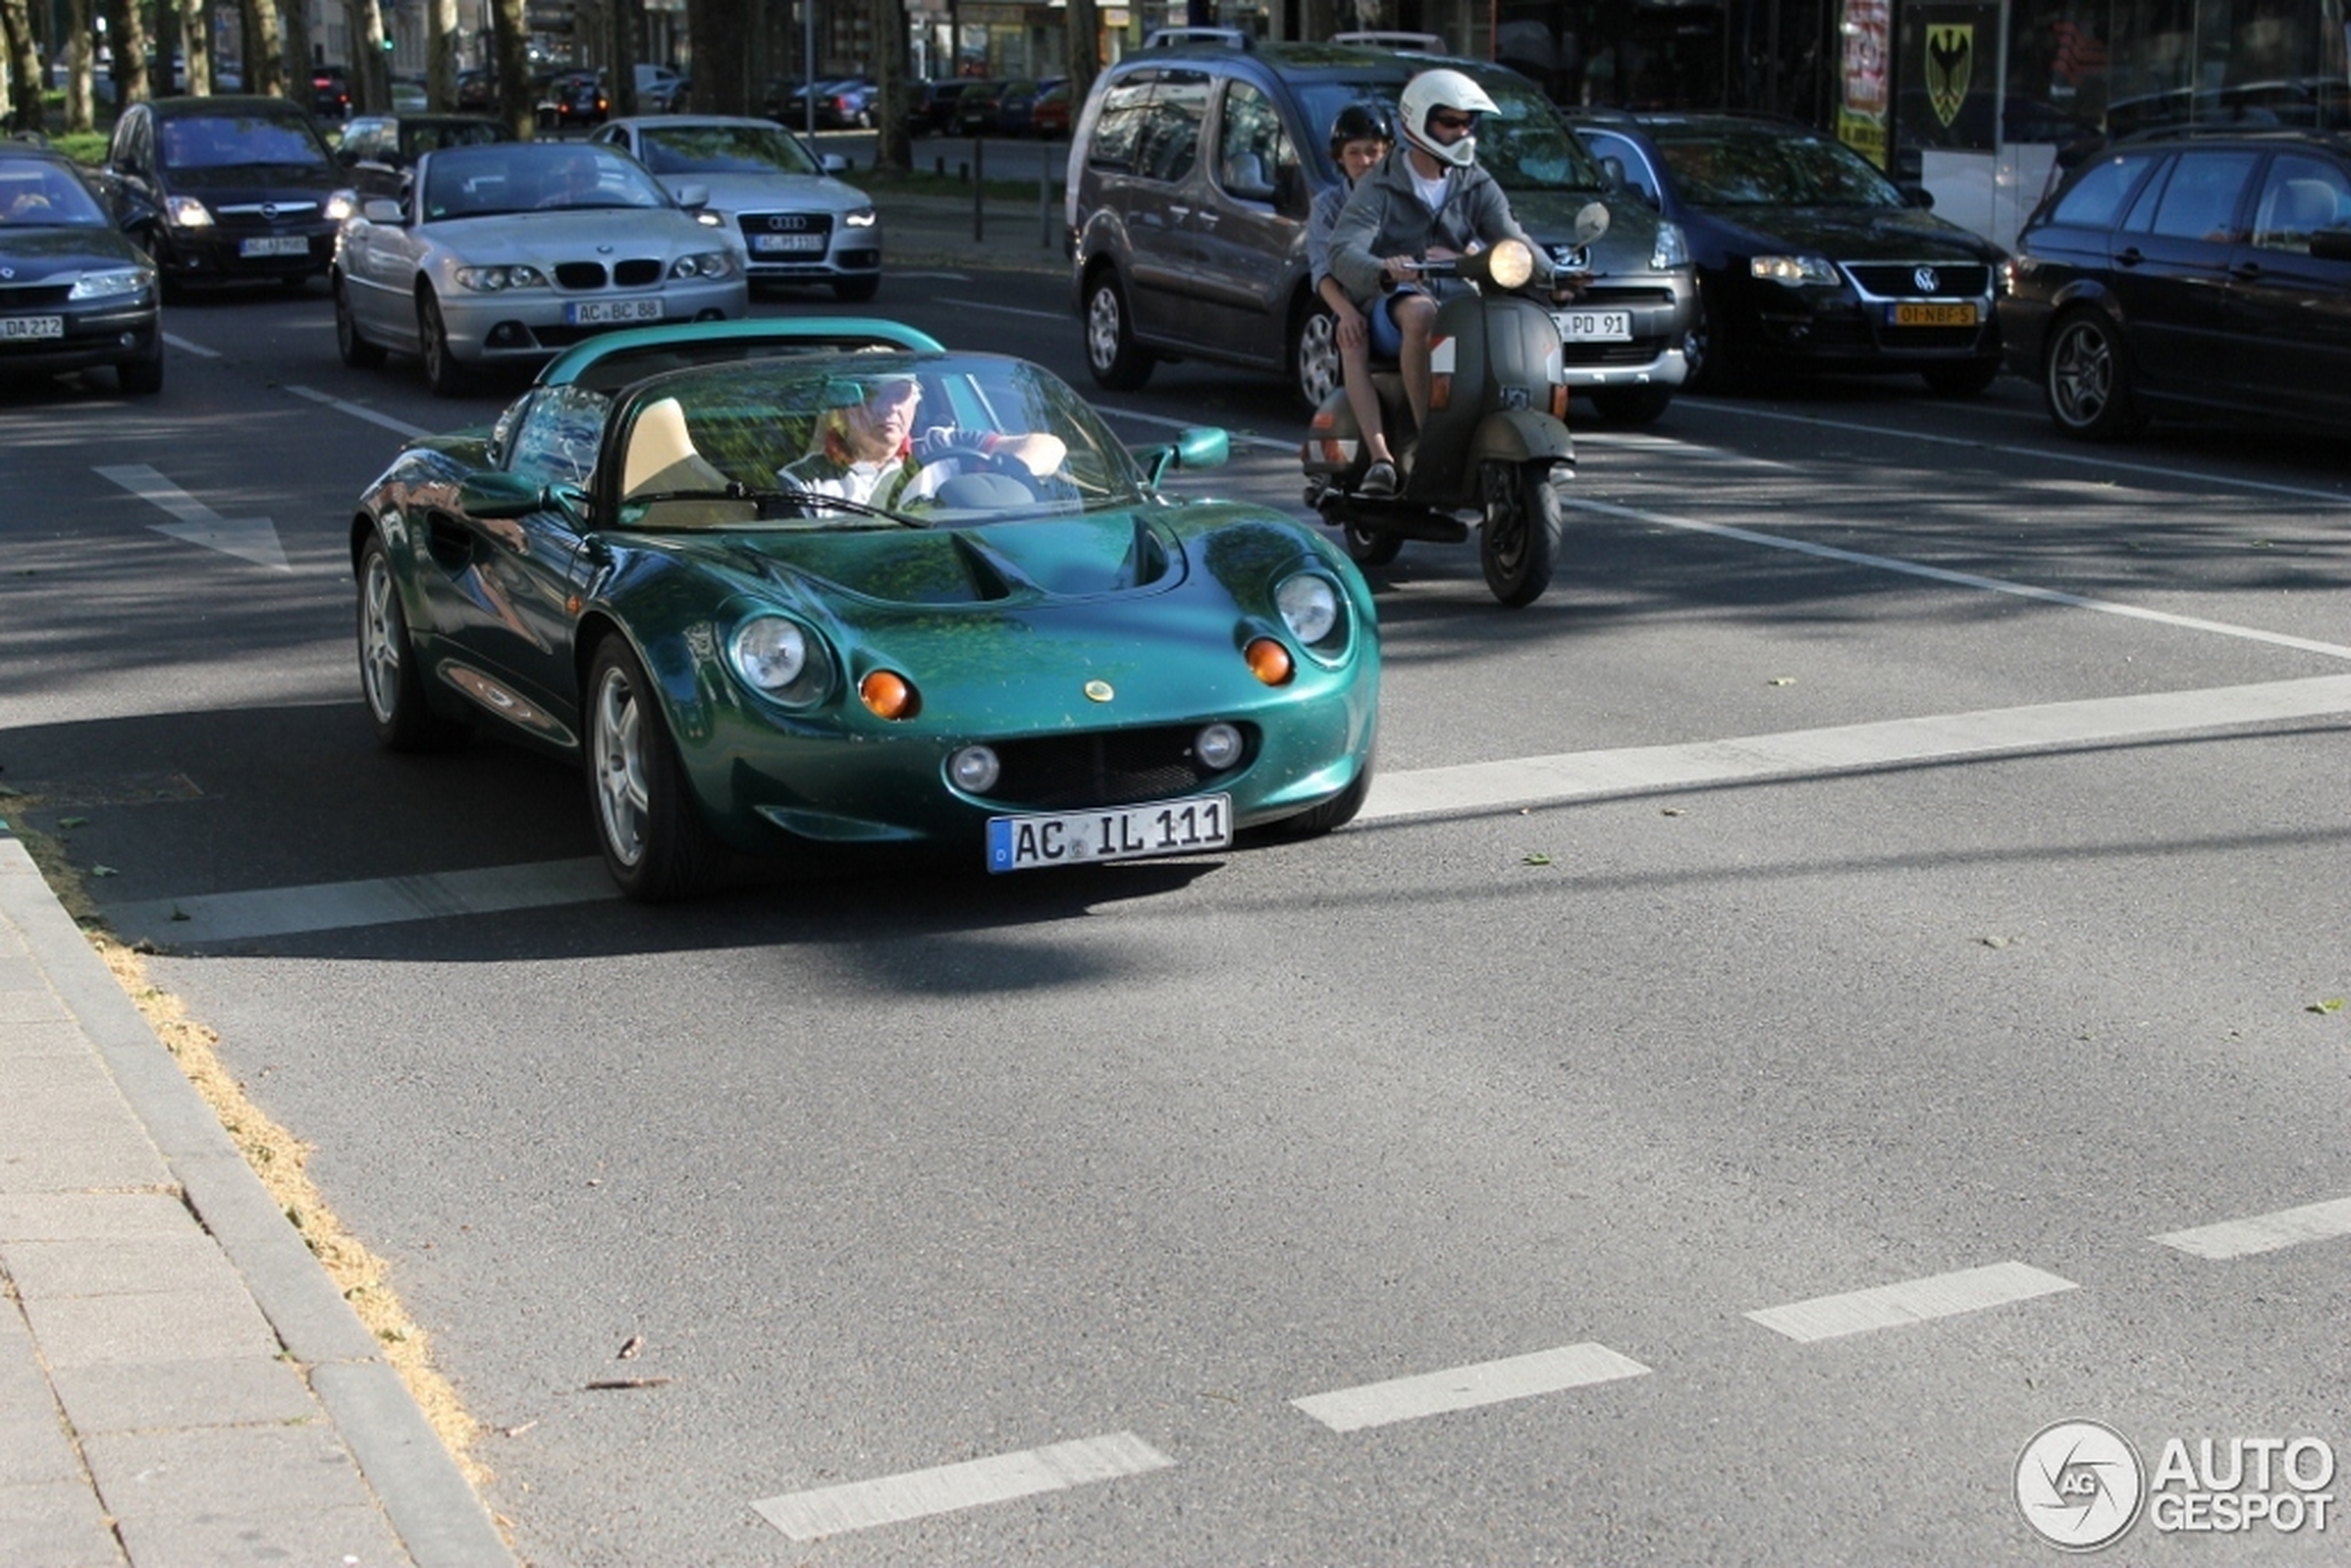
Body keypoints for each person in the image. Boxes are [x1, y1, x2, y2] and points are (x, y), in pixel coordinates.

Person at [1326, 68, 1565, 451]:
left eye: (1468, 124)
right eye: (1450, 122)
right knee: (1420, 313)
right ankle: (1430, 439)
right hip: (1394, 301)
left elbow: (1514, 239)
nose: (1462, 133)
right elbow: (1342, 250)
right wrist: (1383, 271)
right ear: (1419, 121)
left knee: (1509, 314)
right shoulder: (1380, 184)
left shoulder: (1476, 182)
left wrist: (1555, 275)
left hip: (1458, 295)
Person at [780, 370, 1067, 512]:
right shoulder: (804, 481)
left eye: (900, 395)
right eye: (874, 395)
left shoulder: (946, 449)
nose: (890, 407)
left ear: (916, 401)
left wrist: (1010, 473)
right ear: (846, 407)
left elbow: (1050, 447)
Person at [1308, 103, 1401, 498]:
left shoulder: (1403, 197)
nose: (1365, 161)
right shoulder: (1327, 206)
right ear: (1340, 159)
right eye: (1355, 153)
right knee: (1353, 340)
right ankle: (1382, 458)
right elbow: (1322, 272)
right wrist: (1345, 312)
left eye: (1374, 151)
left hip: (1405, 297)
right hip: (1360, 303)